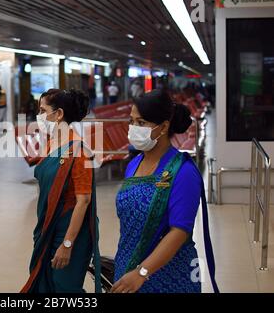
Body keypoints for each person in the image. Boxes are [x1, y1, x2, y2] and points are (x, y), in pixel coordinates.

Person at [111, 90, 219, 293]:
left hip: (169, 277)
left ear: (164, 127)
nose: (133, 128)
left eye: (141, 123)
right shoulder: (134, 164)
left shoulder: (183, 172)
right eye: (131, 121)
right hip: (127, 268)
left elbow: (179, 232)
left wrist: (142, 272)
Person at [21, 89, 101, 293]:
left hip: (70, 230)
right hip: (49, 224)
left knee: (65, 287)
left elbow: (83, 201)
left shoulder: (80, 152)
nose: (38, 116)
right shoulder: (50, 143)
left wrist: (67, 244)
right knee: (45, 284)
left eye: (42, 110)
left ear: (58, 114)